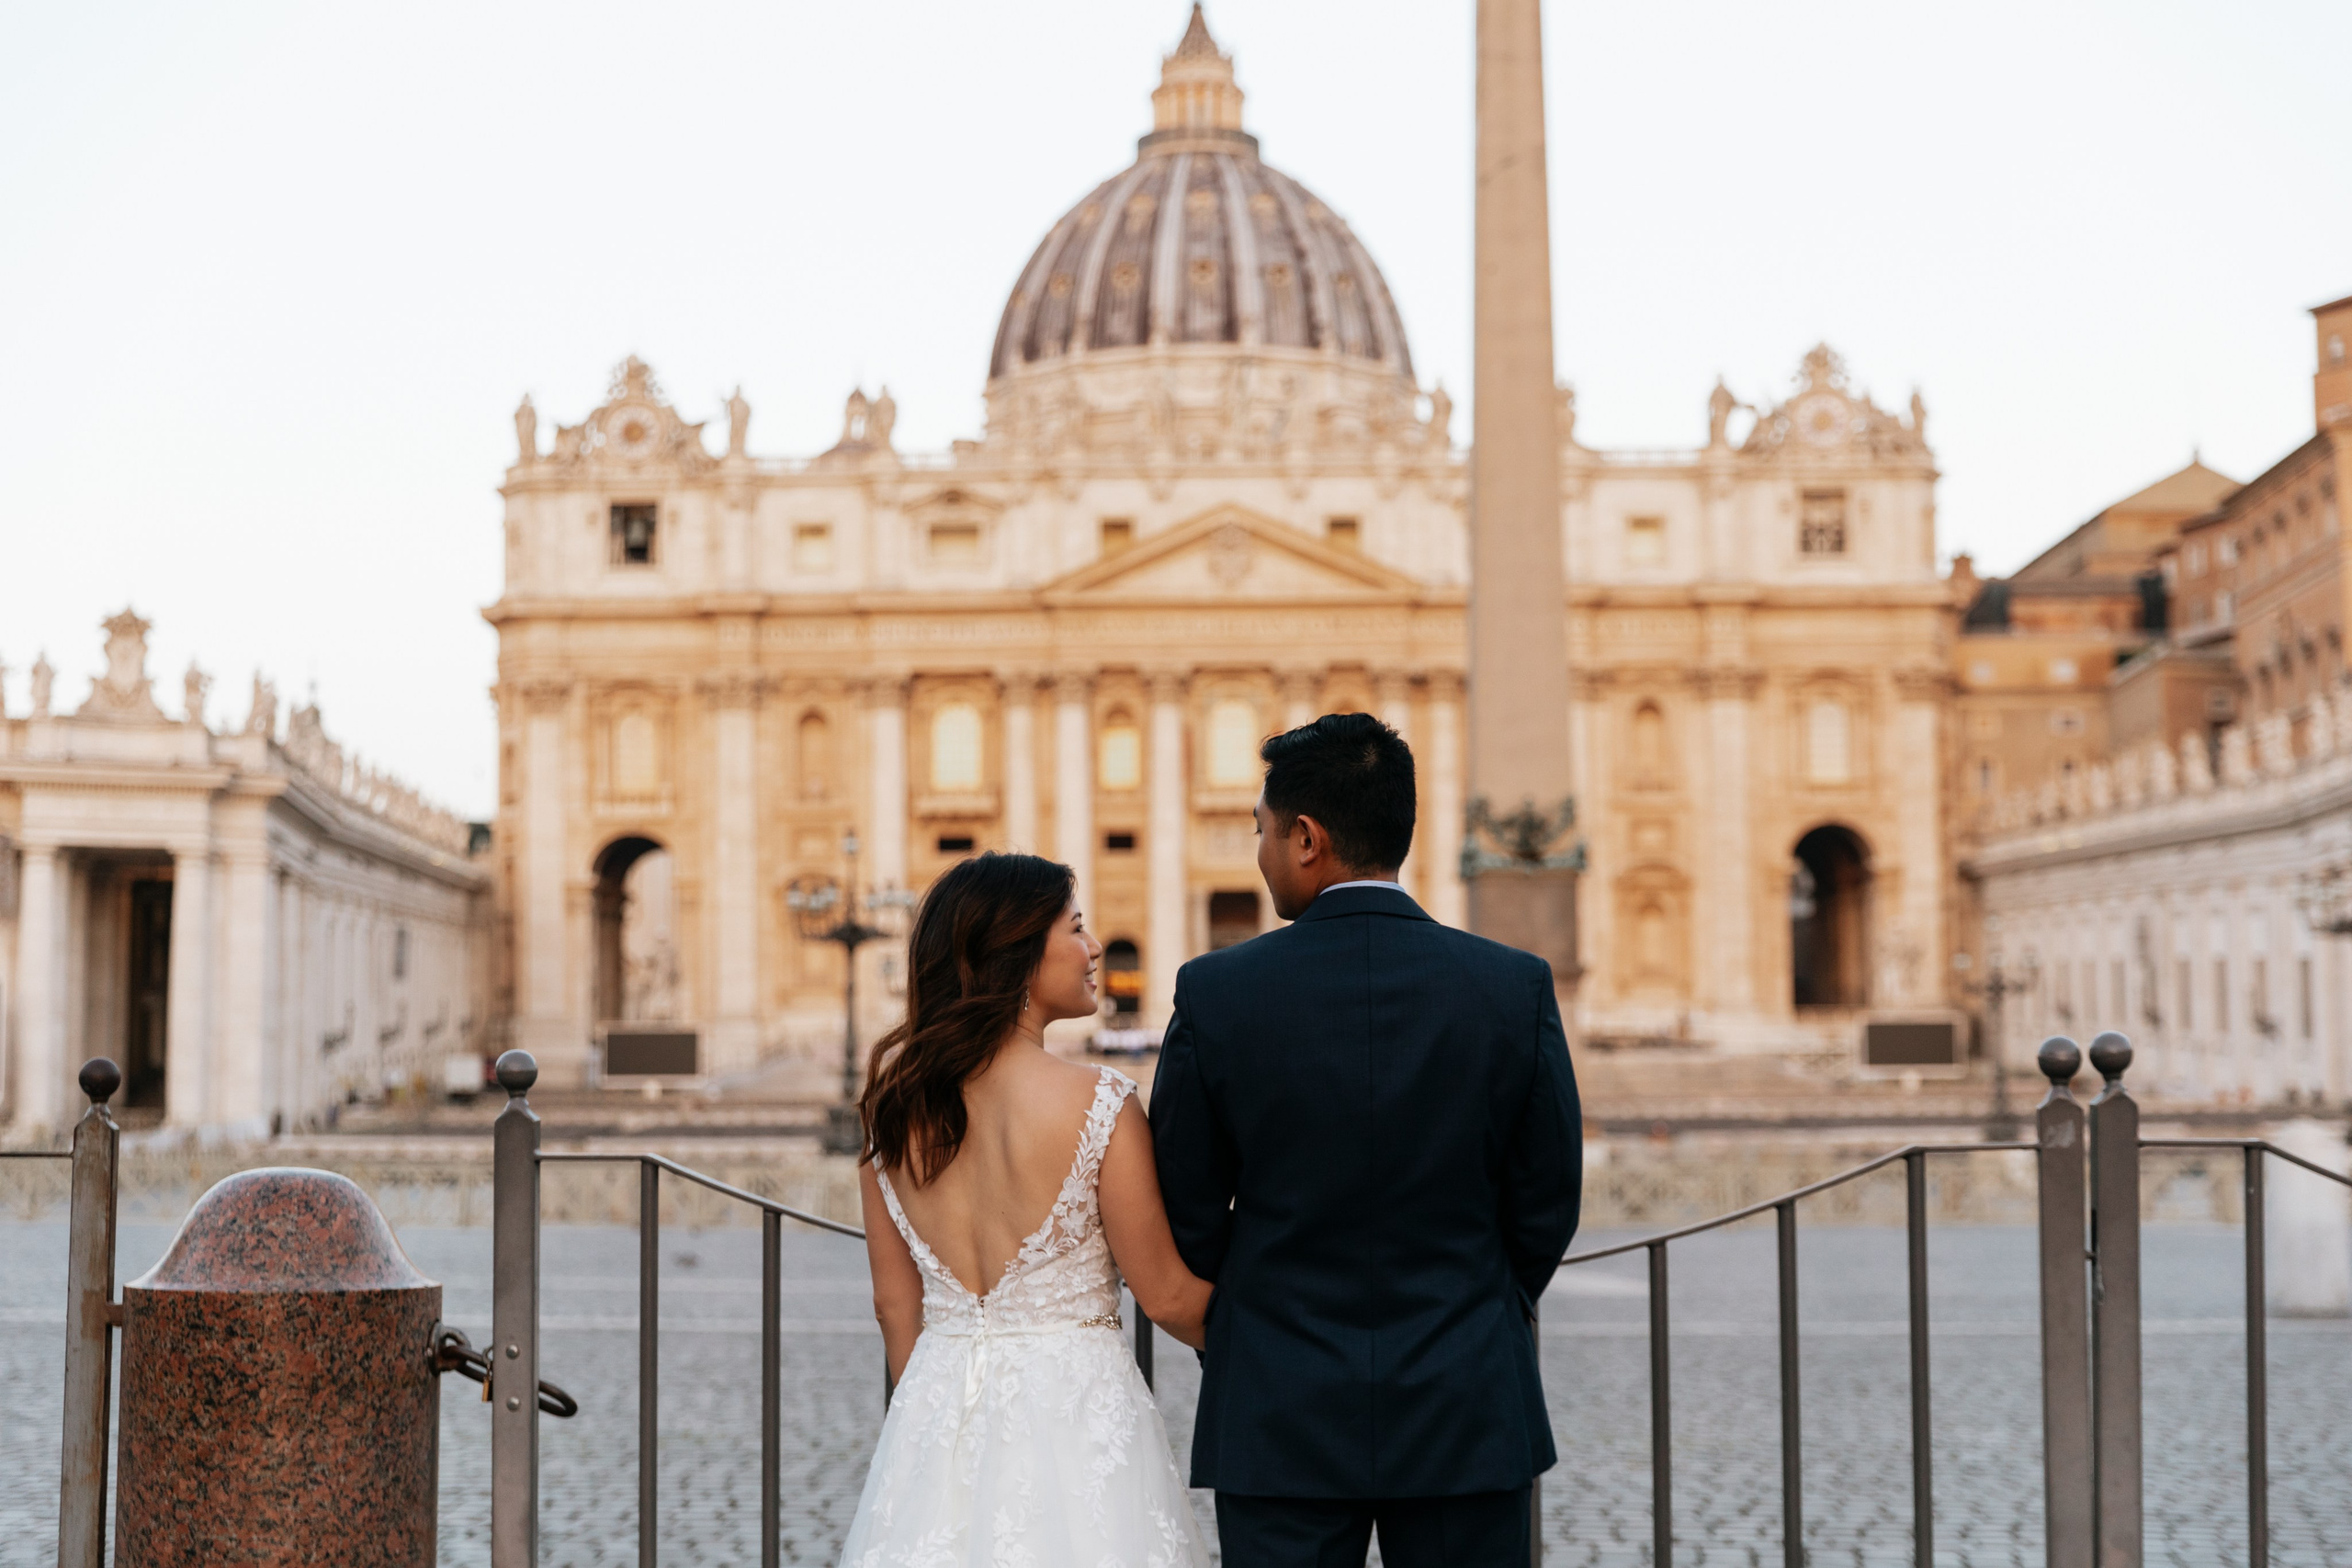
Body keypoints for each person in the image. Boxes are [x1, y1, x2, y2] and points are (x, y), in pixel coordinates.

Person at [1150, 712, 1583, 1568]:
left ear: (1306, 837)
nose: (1262, 853)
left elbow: (1186, 1206)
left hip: (1279, 1399)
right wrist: (1477, 1298)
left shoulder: (1216, 991)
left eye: (1263, 833)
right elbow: (1547, 1199)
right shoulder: (1512, 985)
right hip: (1467, 1392)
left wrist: (1251, 1319)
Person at [840, 852, 1213, 1568]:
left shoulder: (890, 1112)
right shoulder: (1100, 1103)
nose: (1095, 945)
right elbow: (1166, 1295)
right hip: (1076, 1417)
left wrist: (930, 1432)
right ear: (1014, 955)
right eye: (1075, 928)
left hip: (935, 1409)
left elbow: (895, 1307)